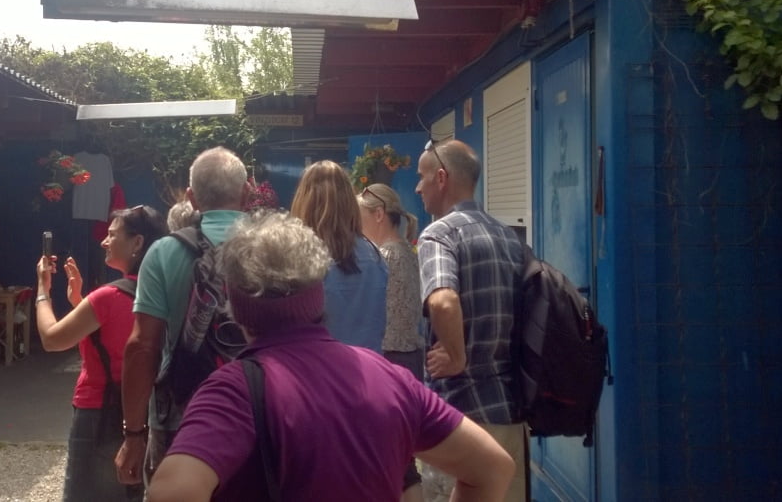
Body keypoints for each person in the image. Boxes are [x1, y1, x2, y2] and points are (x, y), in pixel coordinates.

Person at [145, 212, 515, 502]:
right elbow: (493, 468)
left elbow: (170, 493)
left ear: (236, 306)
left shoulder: (233, 393)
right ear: (318, 290)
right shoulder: (388, 377)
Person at [117, 147, 250, 488]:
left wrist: (134, 435)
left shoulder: (163, 252)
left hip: (180, 416)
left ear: (191, 198)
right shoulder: (272, 247)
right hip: (256, 414)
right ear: (247, 192)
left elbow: (142, 346)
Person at [415, 139, 528, 502]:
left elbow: (443, 301)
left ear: (441, 178)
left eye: (422, 177)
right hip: (509, 414)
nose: (418, 187)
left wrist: (456, 356)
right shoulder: (508, 236)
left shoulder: (439, 234)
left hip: (461, 420)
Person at [35, 205, 168, 502]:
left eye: (112, 235)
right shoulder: (162, 293)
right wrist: (80, 302)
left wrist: (43, 290)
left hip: (98, 414)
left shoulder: (108, 297)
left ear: (137, 242)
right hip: (146, 413)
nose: (104, 242)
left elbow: (51, 339)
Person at [290, 160, 388, 352]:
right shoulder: (375, 255)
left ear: (304, 200)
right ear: (349, 201)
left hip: (316, 364)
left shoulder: (298, 257)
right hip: (368, 364)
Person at [358, 183, 424, 379]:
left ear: (379, 214)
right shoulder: (409, 251)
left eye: (360, 218)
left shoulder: (381, 258)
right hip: (413, 358)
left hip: (390, 360)